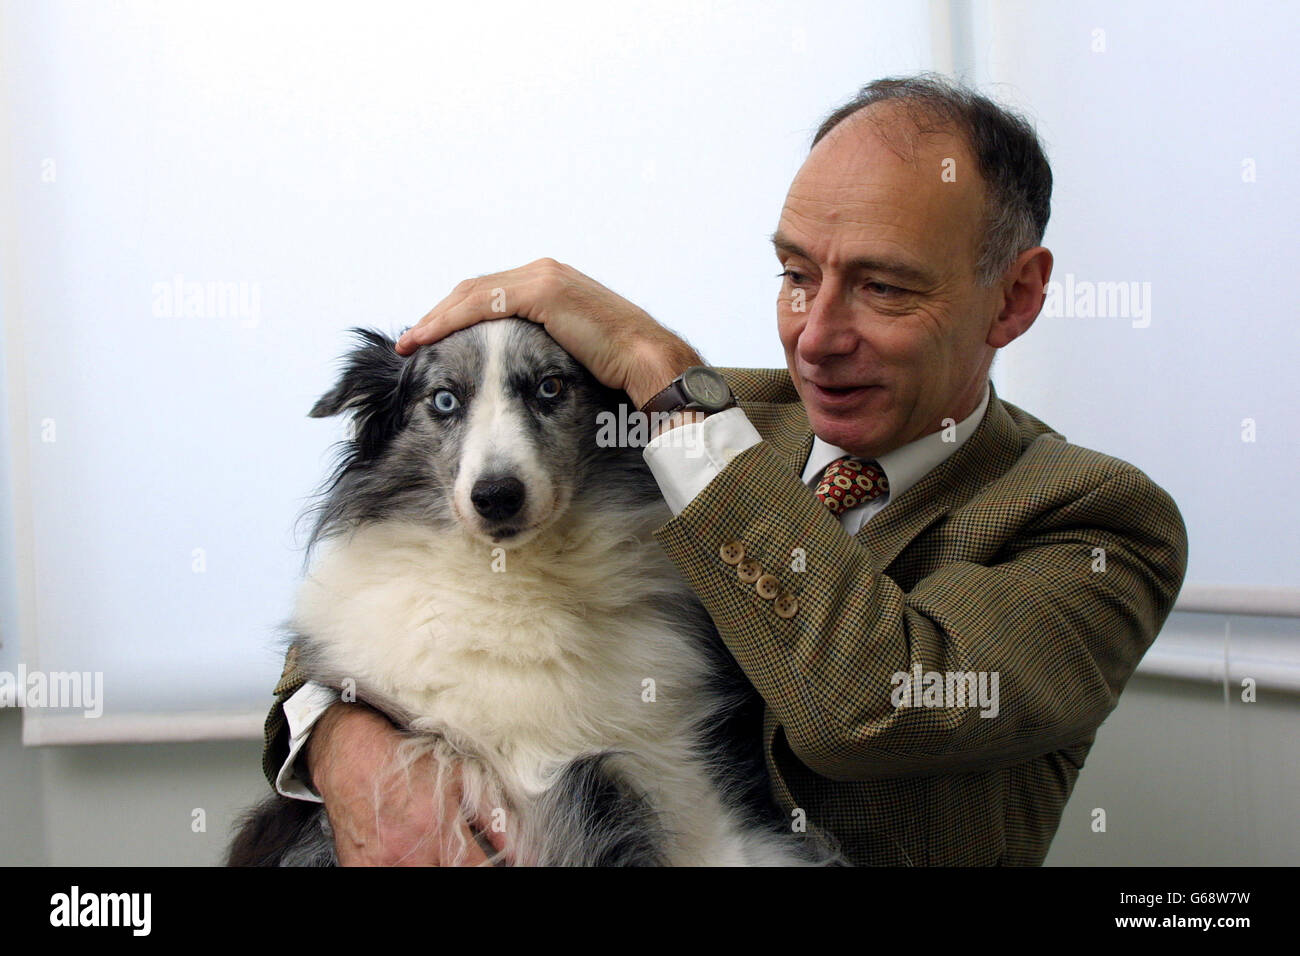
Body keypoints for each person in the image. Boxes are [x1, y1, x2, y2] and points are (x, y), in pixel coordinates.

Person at [261, 74, 1188, 866]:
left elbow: (871, 707)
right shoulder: (709, 420)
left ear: (1015, 295)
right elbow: (388, 579)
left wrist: (650, 360)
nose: (816, 339)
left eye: (884, 287)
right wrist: (347, 747)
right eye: (795, 275)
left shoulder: (1096, 521)